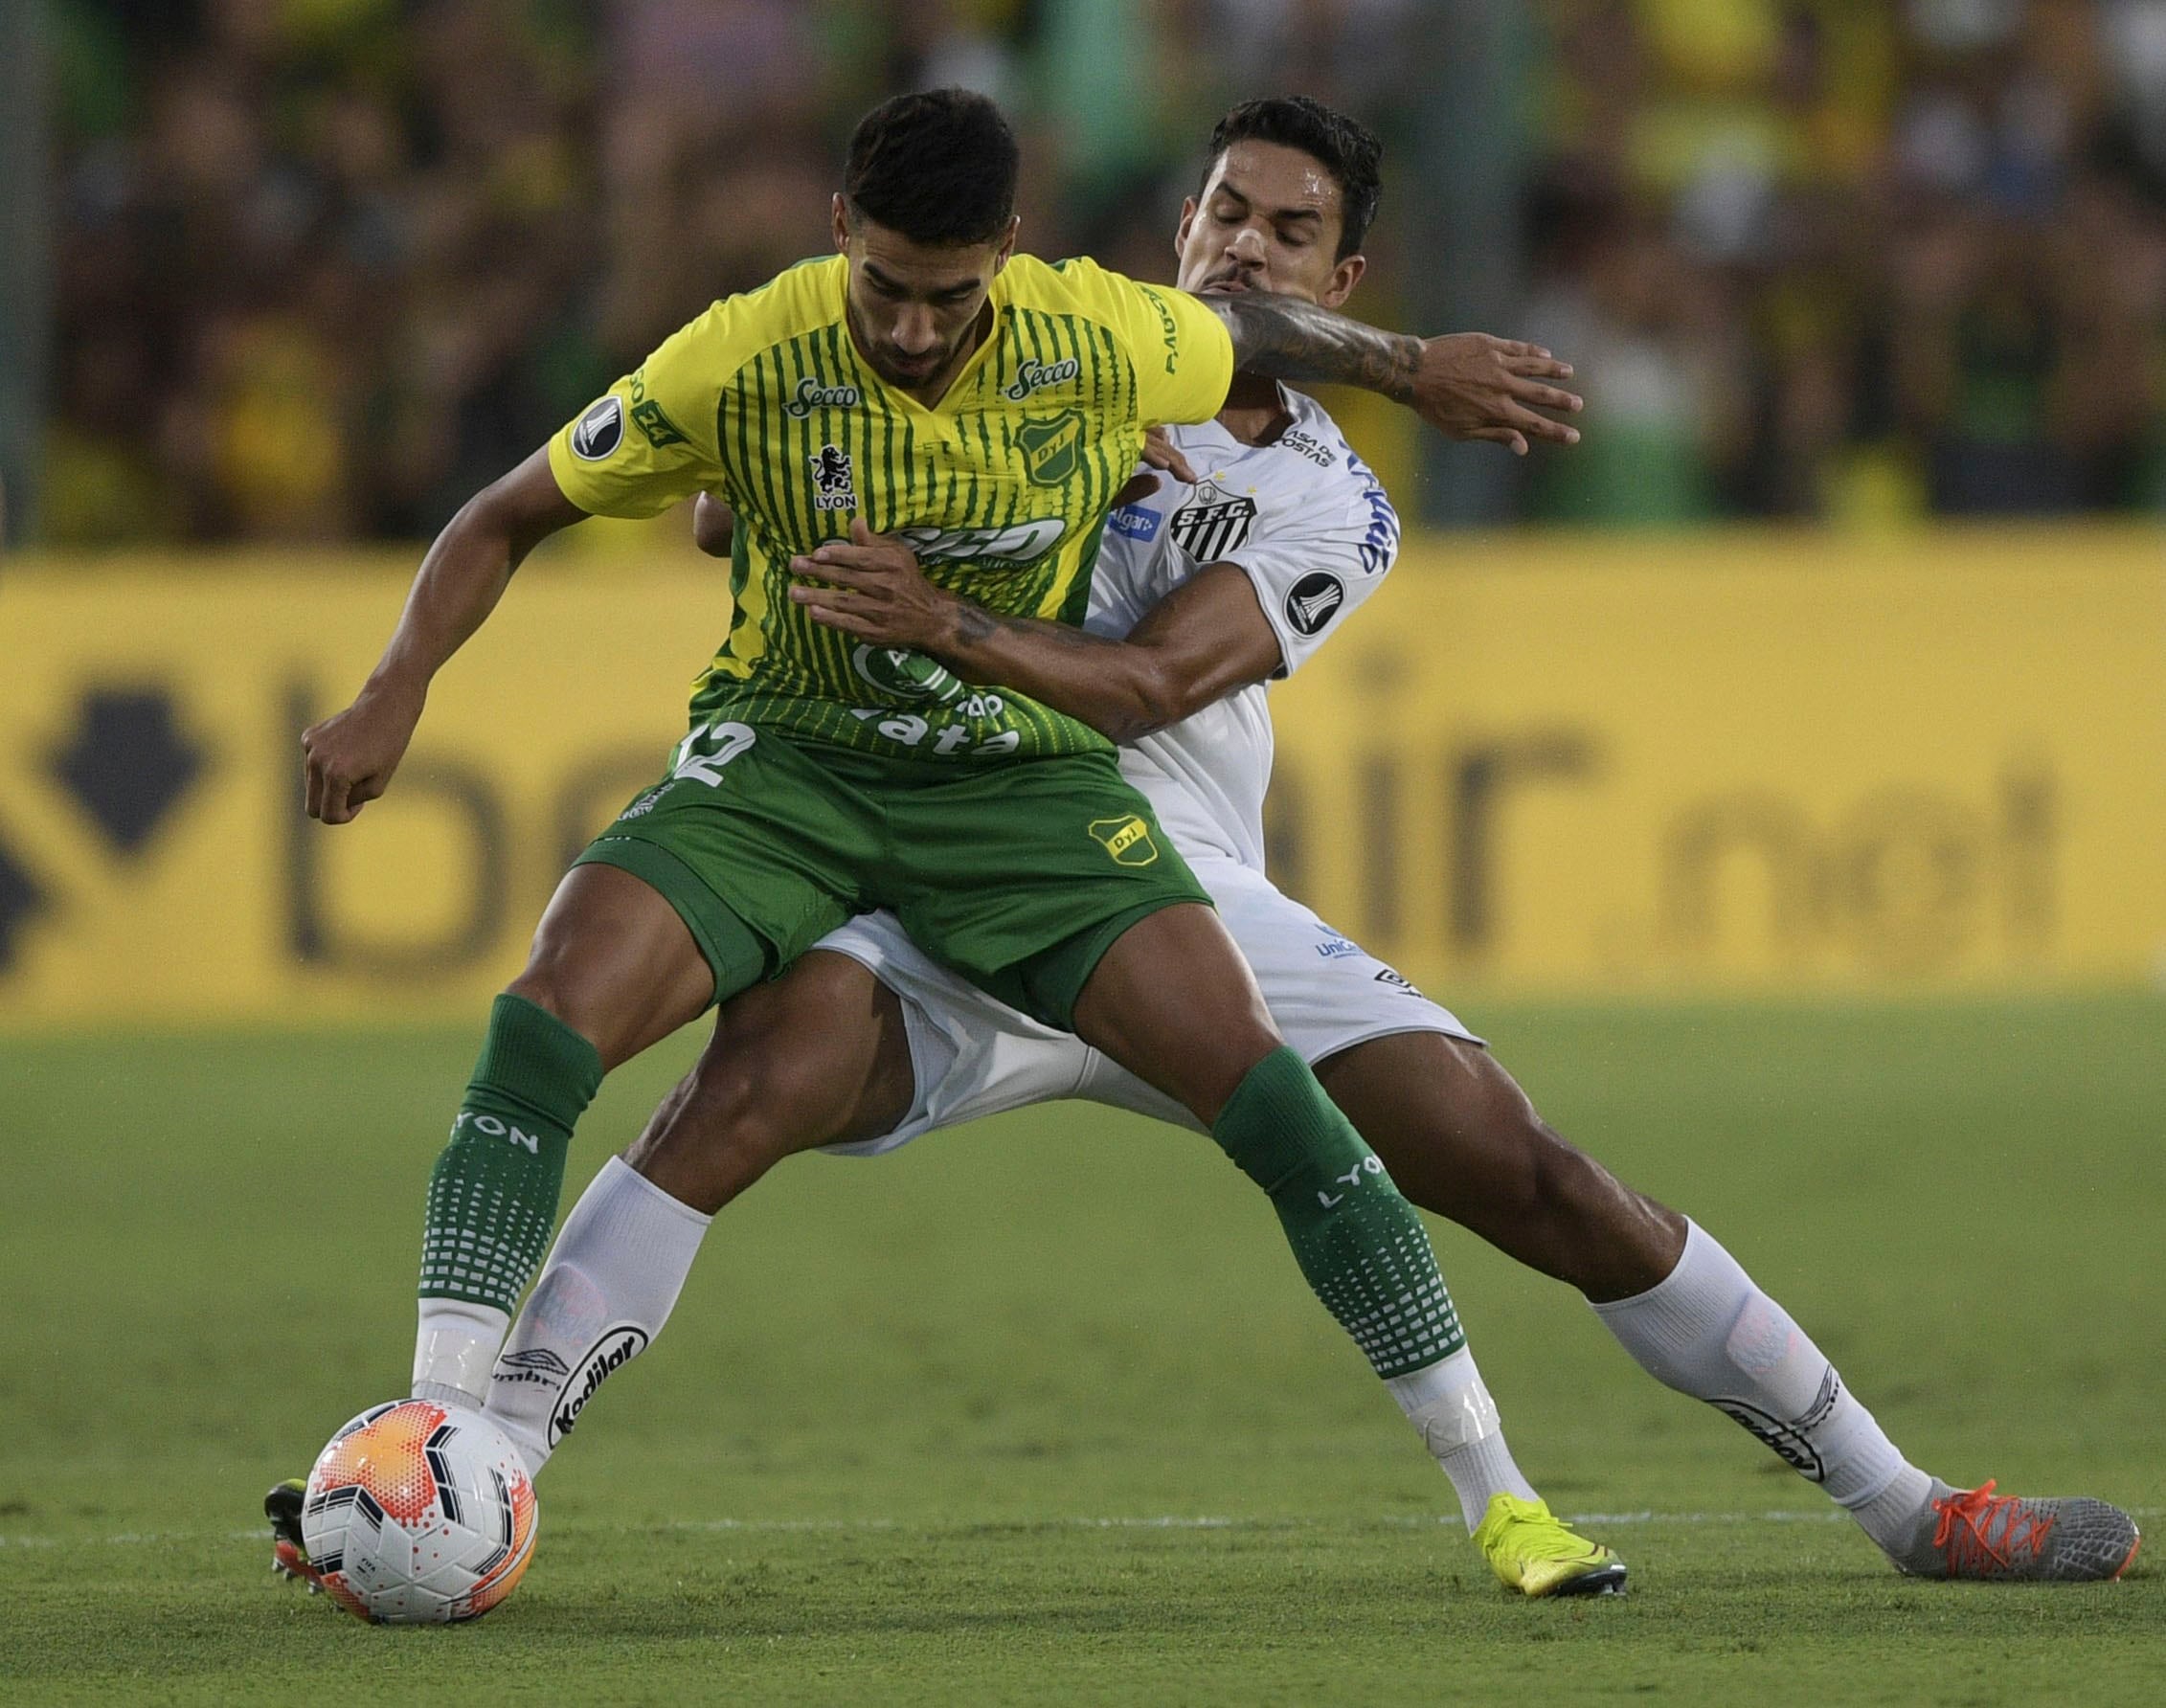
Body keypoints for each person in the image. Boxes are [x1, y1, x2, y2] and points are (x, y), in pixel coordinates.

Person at [457, 97, 2138, 1593]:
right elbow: (727, 507)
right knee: (736, 1095)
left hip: (1170, 895)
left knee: (1532, 1173)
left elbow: (1141, 690)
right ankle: (467, 1472)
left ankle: (1909, 1505)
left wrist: (950, 607)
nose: (1239, 241)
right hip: (936, 863)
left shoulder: (1332, 502)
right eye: (1219, 211)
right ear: (1171, 229)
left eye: (1287, 228)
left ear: (1340, 286)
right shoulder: (1045, 359)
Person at [280, 87, 1597, 1585]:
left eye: (950, 298)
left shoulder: (1096, 333)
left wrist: (1416, 370)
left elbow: (1259, 334)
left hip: (1012, 788)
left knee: (1275, 1103)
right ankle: (438, 1448)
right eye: (886, 291)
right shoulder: (744, 345)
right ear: (842, 232)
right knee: (545, 1023)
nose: (912, 330)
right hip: (791, 759)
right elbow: (510, 511)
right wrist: (395, 689)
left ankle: (1499, 1493)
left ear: (1010, 257)